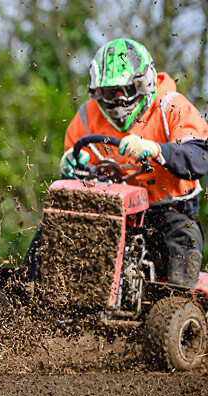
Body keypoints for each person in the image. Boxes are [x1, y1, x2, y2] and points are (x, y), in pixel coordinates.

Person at [28, 38, 208, 287]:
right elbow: (76, 183)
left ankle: (175, 309)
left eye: (122, 91)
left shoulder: (172, 107)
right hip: (112, 211)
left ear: (143, 84)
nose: (115, 101)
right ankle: (29, 294)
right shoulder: (86, 117)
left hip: (170, 210)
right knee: (53, 230)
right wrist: (71, 166)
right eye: (107, 93)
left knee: (182, 252)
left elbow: (199, 158)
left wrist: (155, 149)